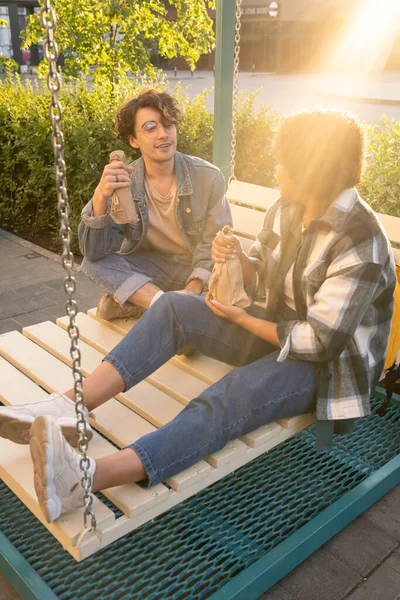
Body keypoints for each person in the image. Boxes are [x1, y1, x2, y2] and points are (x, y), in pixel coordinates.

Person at [0, 109, 396, 524]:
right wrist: (240, 259)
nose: (276, 168)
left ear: (312, 170)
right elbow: (261, 272)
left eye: (283, 161)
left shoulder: (359, 240)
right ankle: (69, 407)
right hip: (279, 326)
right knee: (175, 305)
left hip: (329, 366)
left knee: (233, 393)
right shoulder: (290, 208)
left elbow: (319, 342)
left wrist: (241, 320)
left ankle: (83, 478)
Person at [79, 89, 231, 320]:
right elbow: (94, 252)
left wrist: (193, 287)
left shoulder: (207, 177)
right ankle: (168, 307)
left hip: (194, 268)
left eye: (168, 124)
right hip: (152, 270)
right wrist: (100, 196)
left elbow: (214, 242)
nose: (163, 134)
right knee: (92, 262)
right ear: (133, 140)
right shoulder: (126, 182)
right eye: (150, 128)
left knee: (110, 308)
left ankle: (160, 305)